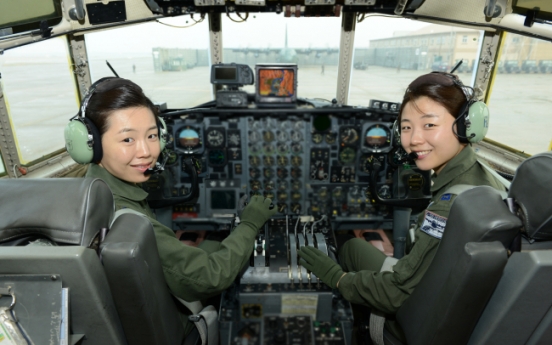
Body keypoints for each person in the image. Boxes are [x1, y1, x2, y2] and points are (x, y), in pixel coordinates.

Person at [297, 71, 504, 341]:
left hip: (410, 323)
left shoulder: (449, 204)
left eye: (429, 125)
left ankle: (355, 327)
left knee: (346, 246)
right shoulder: (491, 183)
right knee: (358, 245)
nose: (414, 139)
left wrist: (336, 277)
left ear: (466, 125)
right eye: (406, 127)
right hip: (454, 309)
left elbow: (396, 293)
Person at [65, 77, 276, 337]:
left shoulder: (86, 193)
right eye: (127, 140)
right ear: (91, 145)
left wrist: (163, 249)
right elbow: (211, 276)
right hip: (173, 326)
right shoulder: (127, 220)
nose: (146, 152)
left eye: (152, 135)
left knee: (211, 242)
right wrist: (251, 222)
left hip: (133, 314)